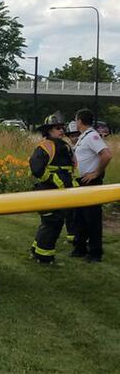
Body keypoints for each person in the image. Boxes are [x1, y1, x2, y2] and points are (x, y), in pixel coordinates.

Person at [28, 113, 77, 264]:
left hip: (59, 193)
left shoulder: (65, 146)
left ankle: (37, 251)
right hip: (47, 192)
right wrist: (55, 180)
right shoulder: (45, 147)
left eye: (62, 128)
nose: (61, 131)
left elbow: (72, 168)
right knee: (52, 223)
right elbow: (36, 169)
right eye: (57, 128)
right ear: (48, 131)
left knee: (52, 223)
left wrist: (73, 184)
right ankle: (44, 258)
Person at [71, 108, 113, 262]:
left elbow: (107, 155)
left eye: (76, 120)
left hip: (91, 183)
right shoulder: (84, 137)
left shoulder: (92, 136)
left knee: (92, 219)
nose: (76, 123)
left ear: (80, 121)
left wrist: (96, 173)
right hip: (81, 183)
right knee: (80, 217)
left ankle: (95, 252)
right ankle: (80, 248)